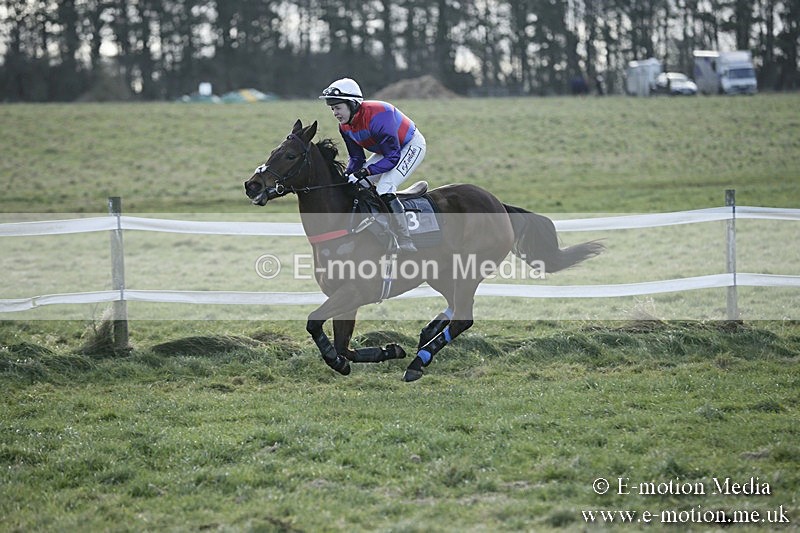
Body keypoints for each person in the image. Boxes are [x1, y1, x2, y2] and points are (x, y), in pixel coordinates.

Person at [319, 77, 425, 252]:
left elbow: (392, 158)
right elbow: (356, 158)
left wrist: (365, 171)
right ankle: (376, 227)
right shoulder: (344, 126)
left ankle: (405, 239)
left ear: (352, 104)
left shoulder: (379, 115)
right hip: (387, 151)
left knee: (385, 187)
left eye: (338, 107)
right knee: (357, 184)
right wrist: (347, 176)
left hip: (410, 145)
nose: (335, 113)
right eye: (332, 109)